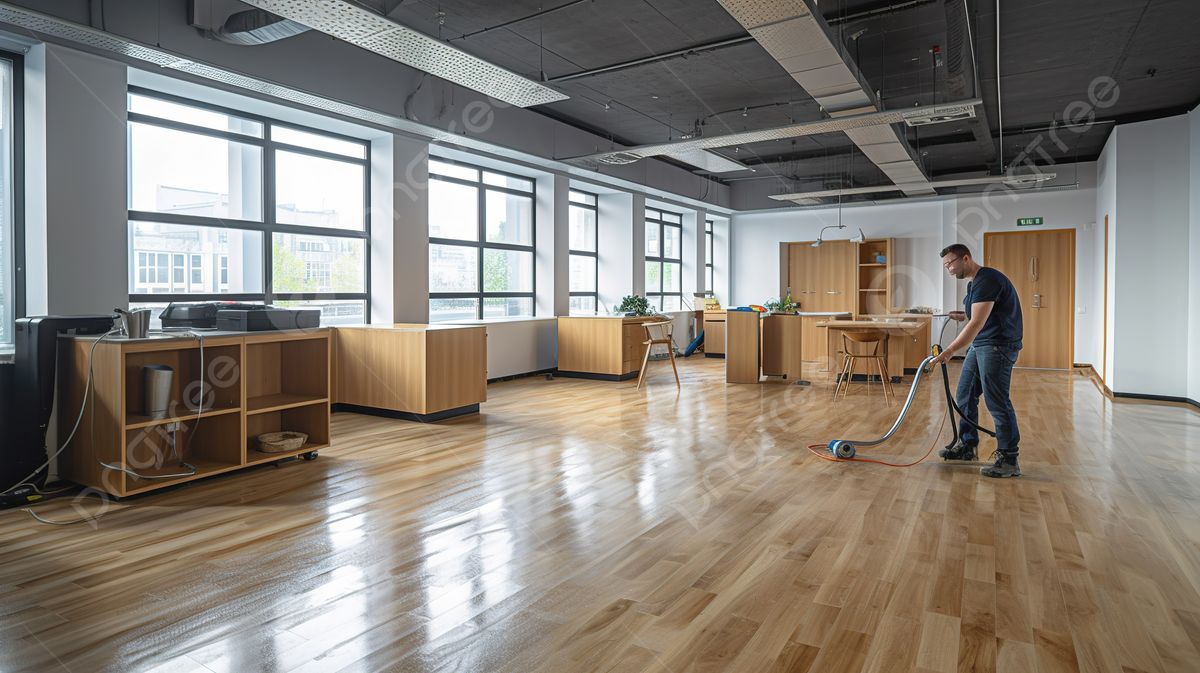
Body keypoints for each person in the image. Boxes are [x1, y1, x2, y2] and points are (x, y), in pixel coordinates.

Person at [930, 243, 1024, 478]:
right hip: (982, 344)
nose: (949, 269)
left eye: (950, 263)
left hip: (997, 346)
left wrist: (950, 350)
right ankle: (968, 446)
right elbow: (977, 316)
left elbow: (977, 323)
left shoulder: (987, 279)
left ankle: (1009, 459)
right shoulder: (974, 285)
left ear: (966, 259)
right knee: (965, 394)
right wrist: (962, 315)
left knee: (997, 401)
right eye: (945, 265)